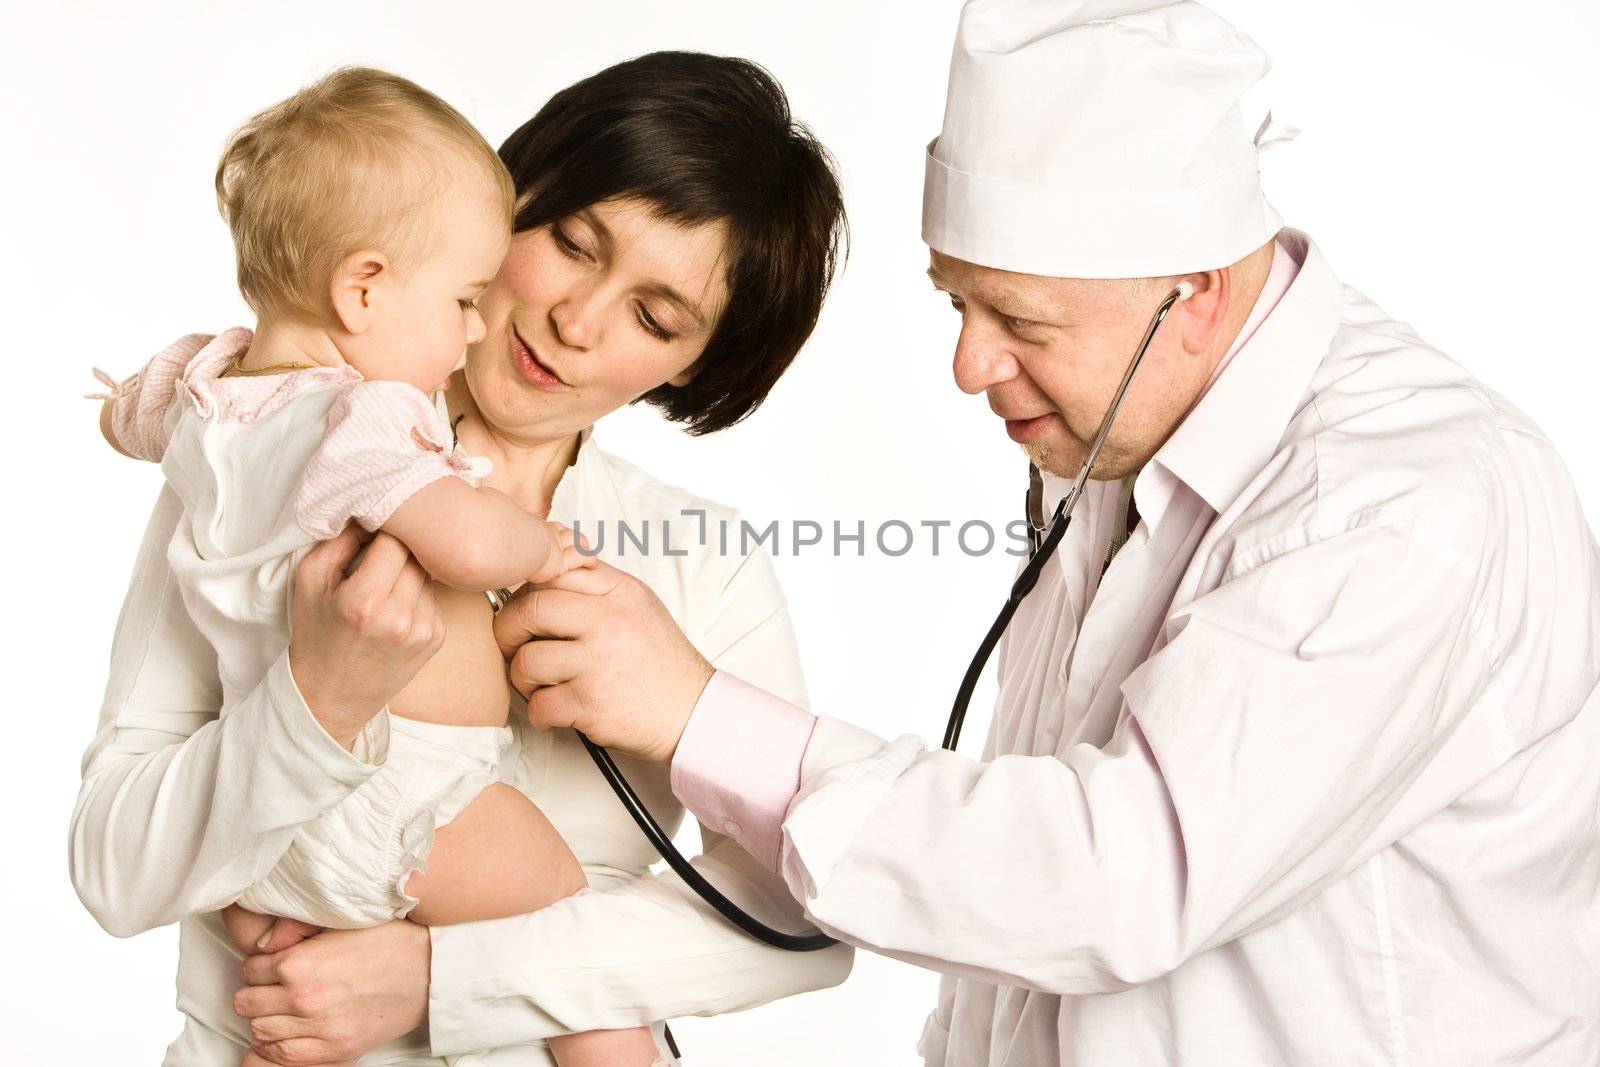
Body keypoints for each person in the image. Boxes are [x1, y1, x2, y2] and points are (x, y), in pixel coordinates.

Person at [484, 4, 1600, 1065]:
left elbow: (1109, 876)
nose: (968, 366)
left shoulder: (1403, 505)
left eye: (1018, 320)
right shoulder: (1117, 444)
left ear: (1192, 295)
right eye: (958, 303)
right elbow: (1017, 945)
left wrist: (694, 714)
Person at [70, 52, 851, 1066]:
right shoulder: (277, 456)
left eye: (656, 316)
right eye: (572, 242)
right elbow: (111, 865)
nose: (576, 321)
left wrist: (445, 982)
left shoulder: (702, 564)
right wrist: (314, 702)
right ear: (510, 200)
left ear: (694, 362)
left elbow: (801, 924)